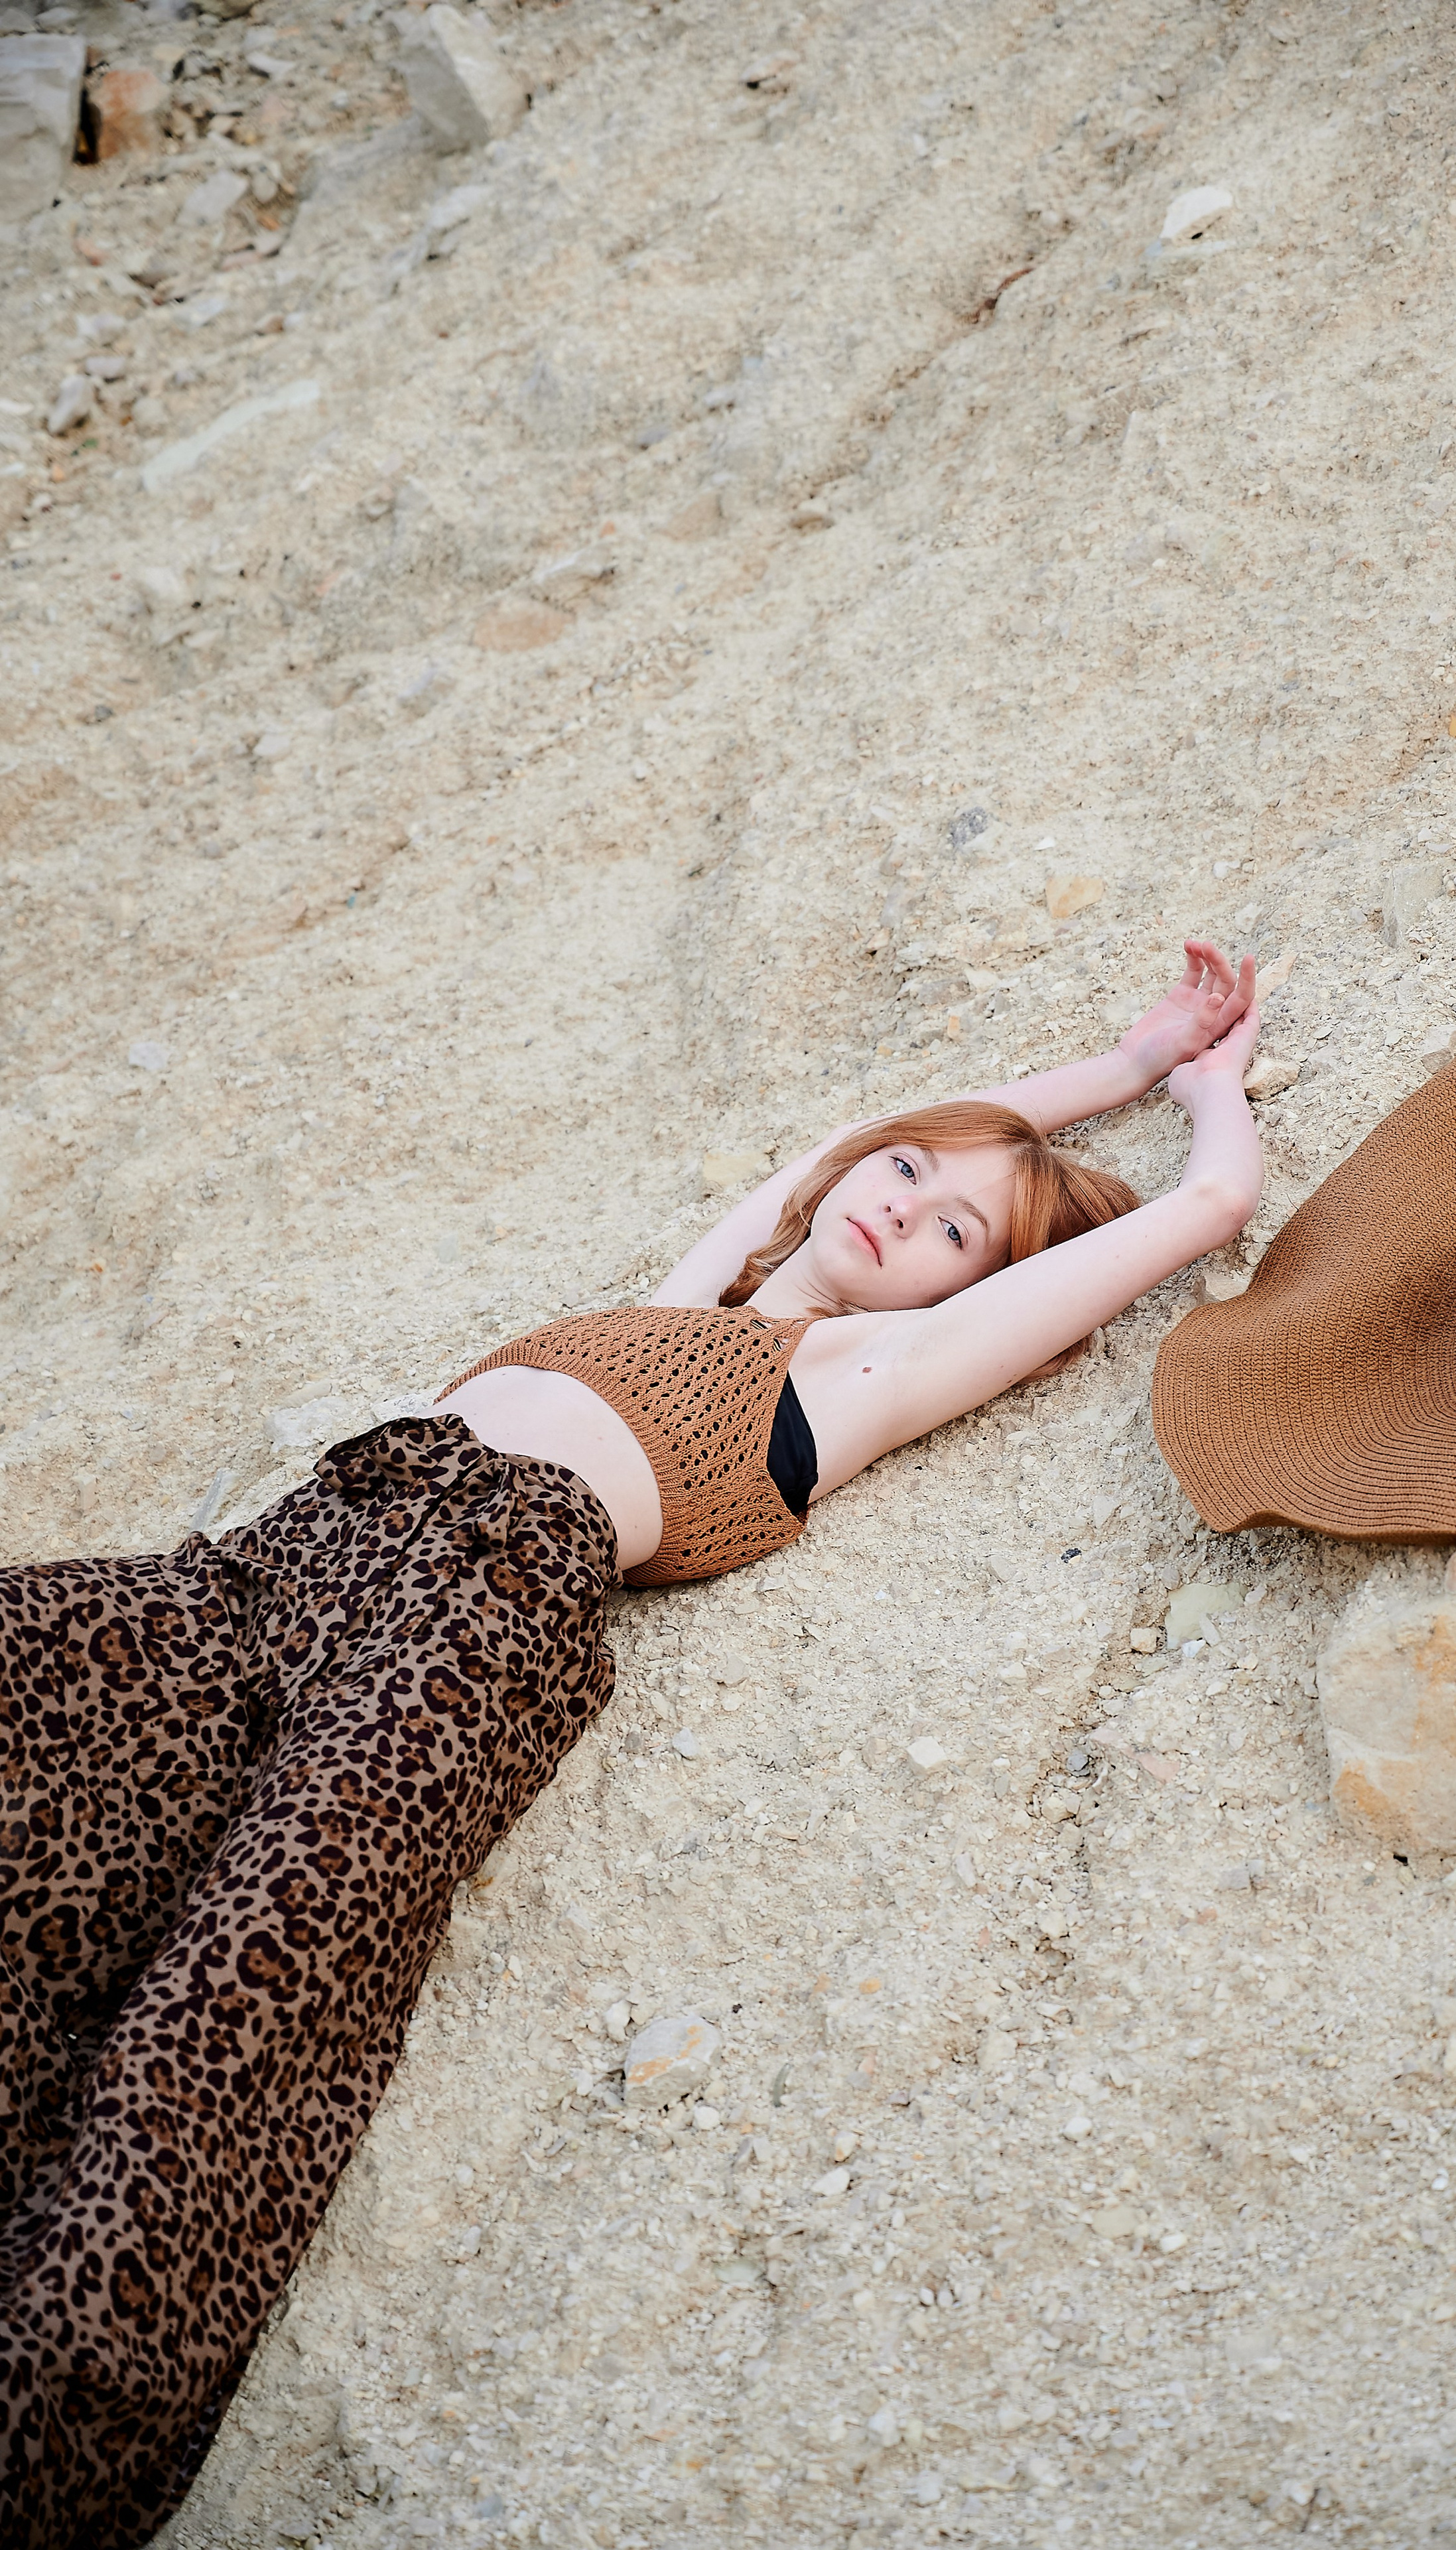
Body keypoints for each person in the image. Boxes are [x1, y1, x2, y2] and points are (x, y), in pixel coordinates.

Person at [0, 940, 1259, 2549]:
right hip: (284, 1557)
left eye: (955, 1230)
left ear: (968, 1294)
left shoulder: (864, 1373)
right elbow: (872, 1139)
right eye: (899, 1172)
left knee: (247, 1992)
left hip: (462, 1634)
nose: (902, 1204)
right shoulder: (694, 1284)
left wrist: (1206, 1095)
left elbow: (1199, 1213)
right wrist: (1126, 1055)